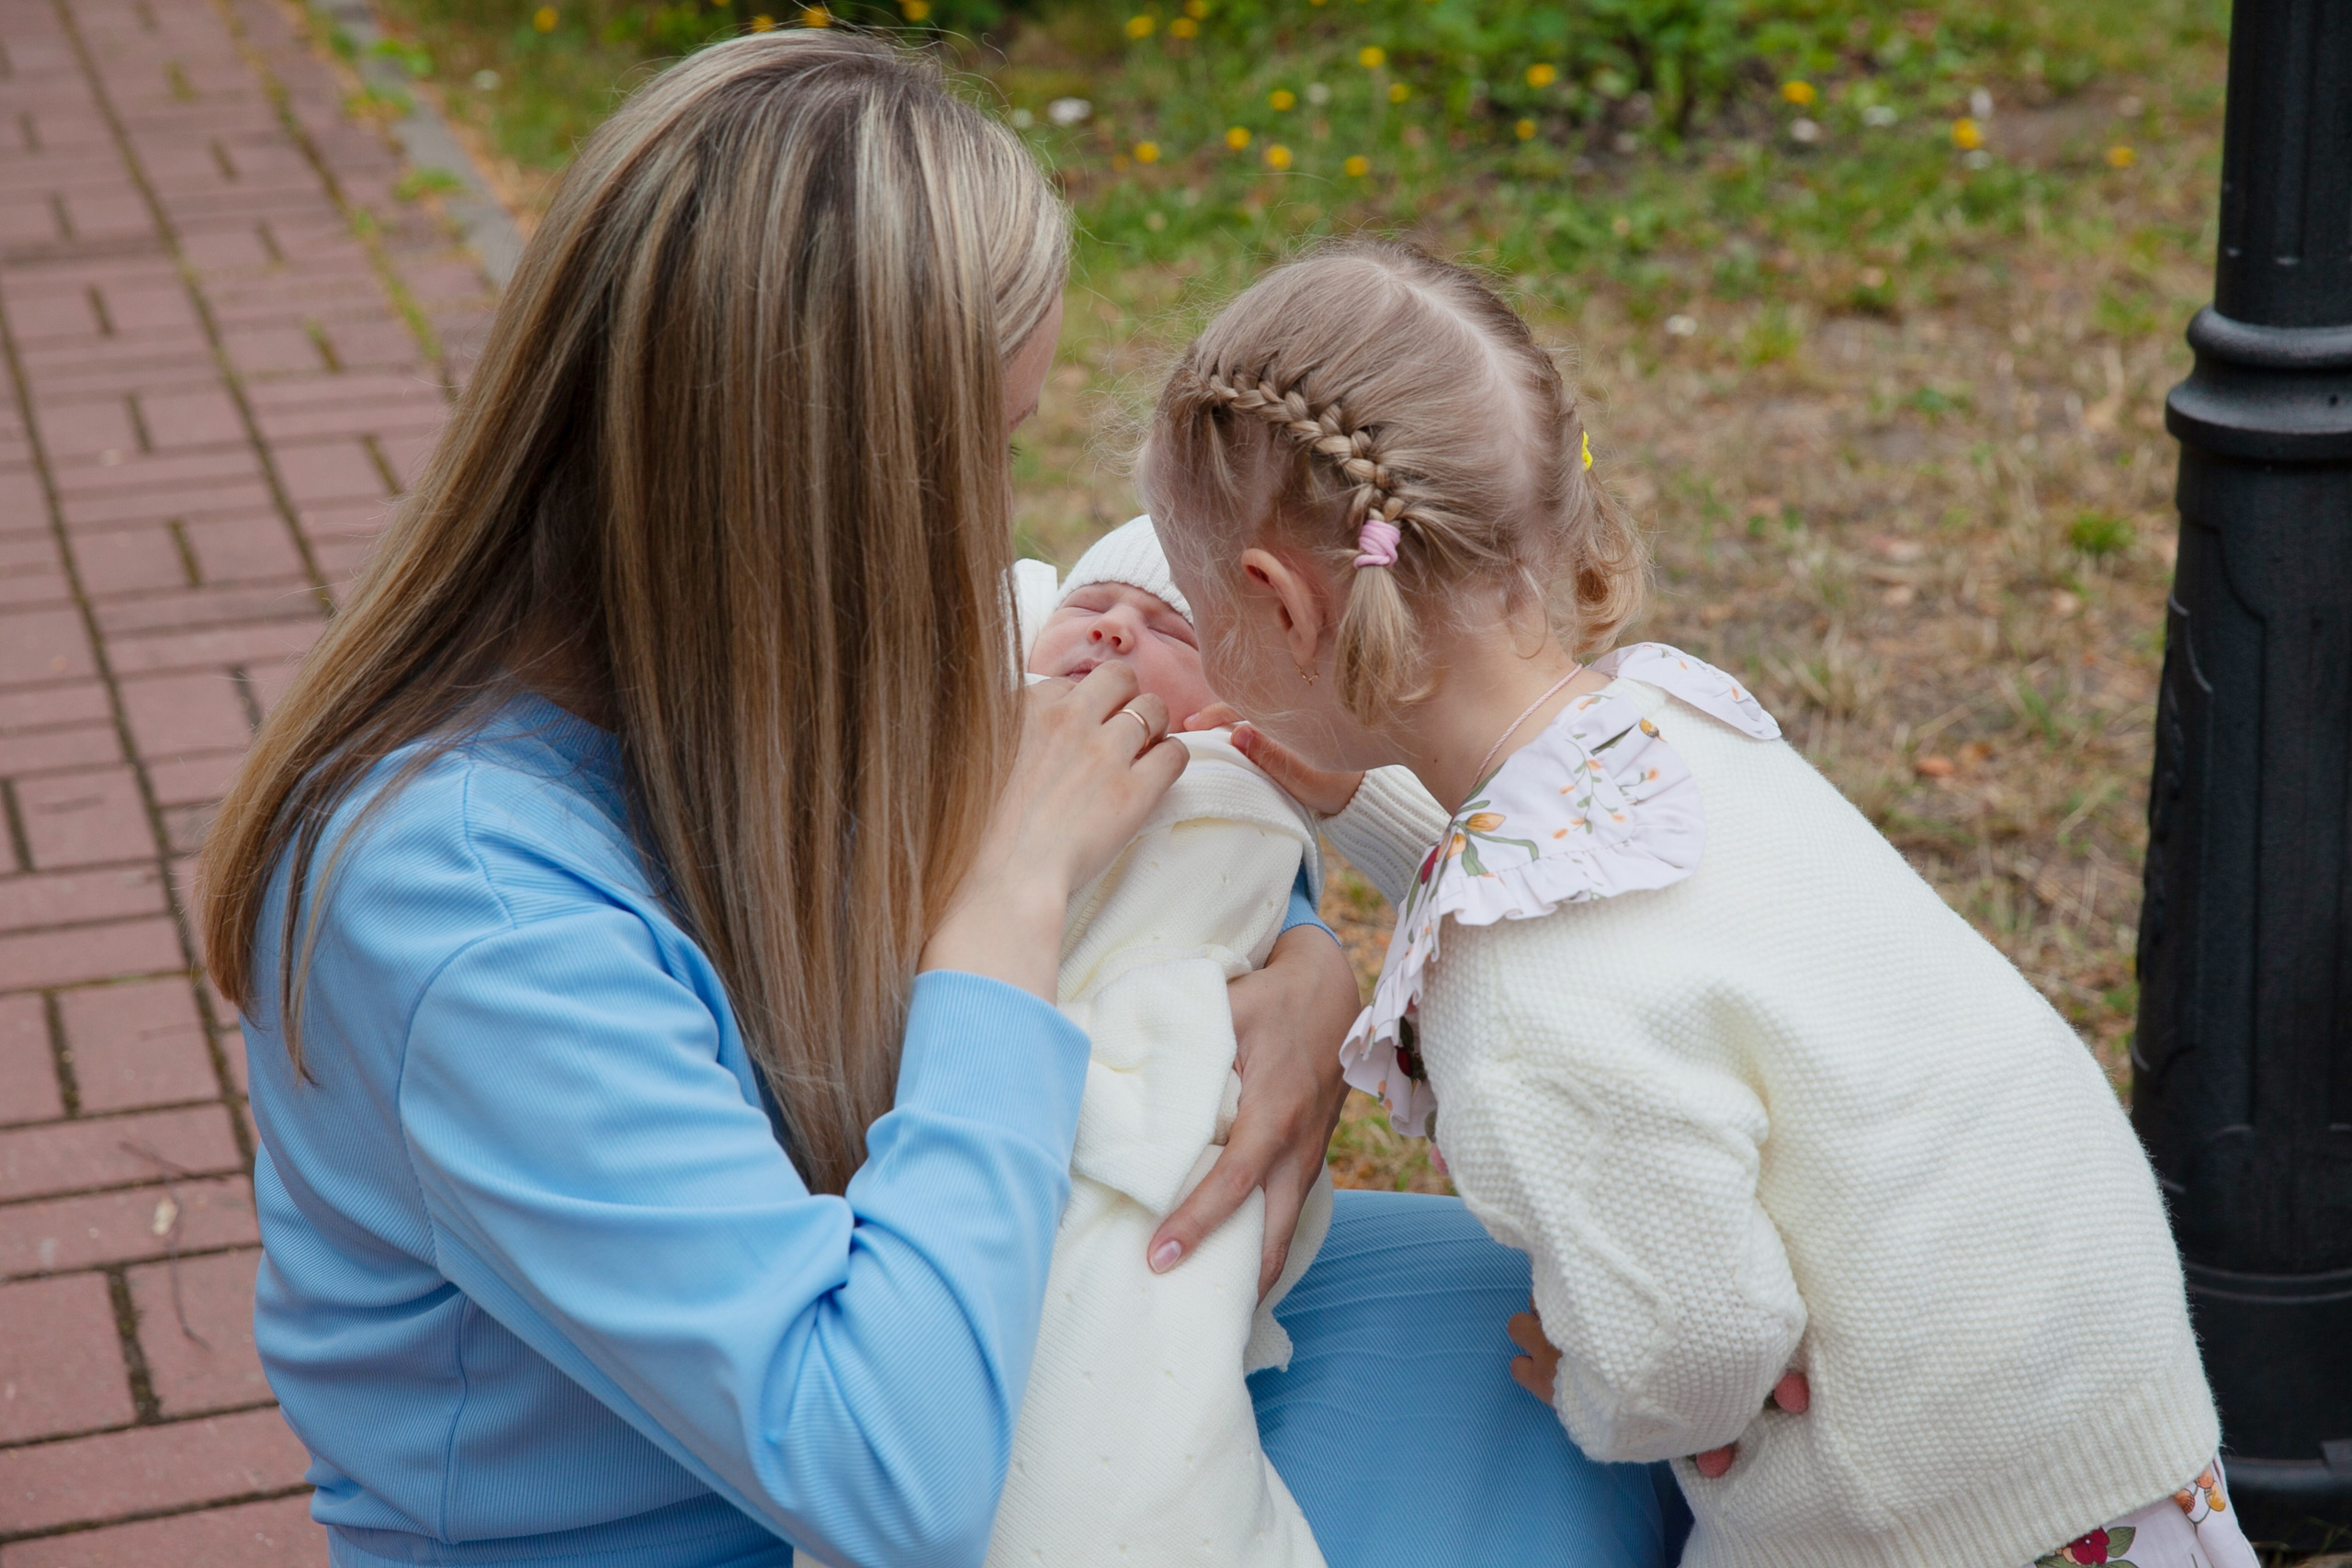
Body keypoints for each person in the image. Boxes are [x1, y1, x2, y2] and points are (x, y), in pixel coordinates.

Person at [198, 35, 1681, 1568]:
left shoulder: (772, 650)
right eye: (989, 445)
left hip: (985, 1323)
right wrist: (1005, 909)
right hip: (747, 1512)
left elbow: (1156, 832)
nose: (997, 509)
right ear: (816, 484)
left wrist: (1300, 969)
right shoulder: (455, 911)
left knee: (1582, 1339)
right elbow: (883, 1476)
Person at [1138, 239, 2255, 1568]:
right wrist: (1342, 792)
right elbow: (1553, 860)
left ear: (1274, 602)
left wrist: (1594, 1382)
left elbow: (1698, 1338)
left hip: (1929, 1512)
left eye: (1191, 601)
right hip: (2094, 1396)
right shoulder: (1665, 717)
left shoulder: (1522, 1000)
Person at [990, 517, 1334, 1566]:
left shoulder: (1226, 771)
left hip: (1165, 1103)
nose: (1114, 636)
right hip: (1004, 1071)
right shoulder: (983, 725)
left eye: (1165, 630)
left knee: (1138, 1349)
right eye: (1091, 612)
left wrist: (1314, 950)